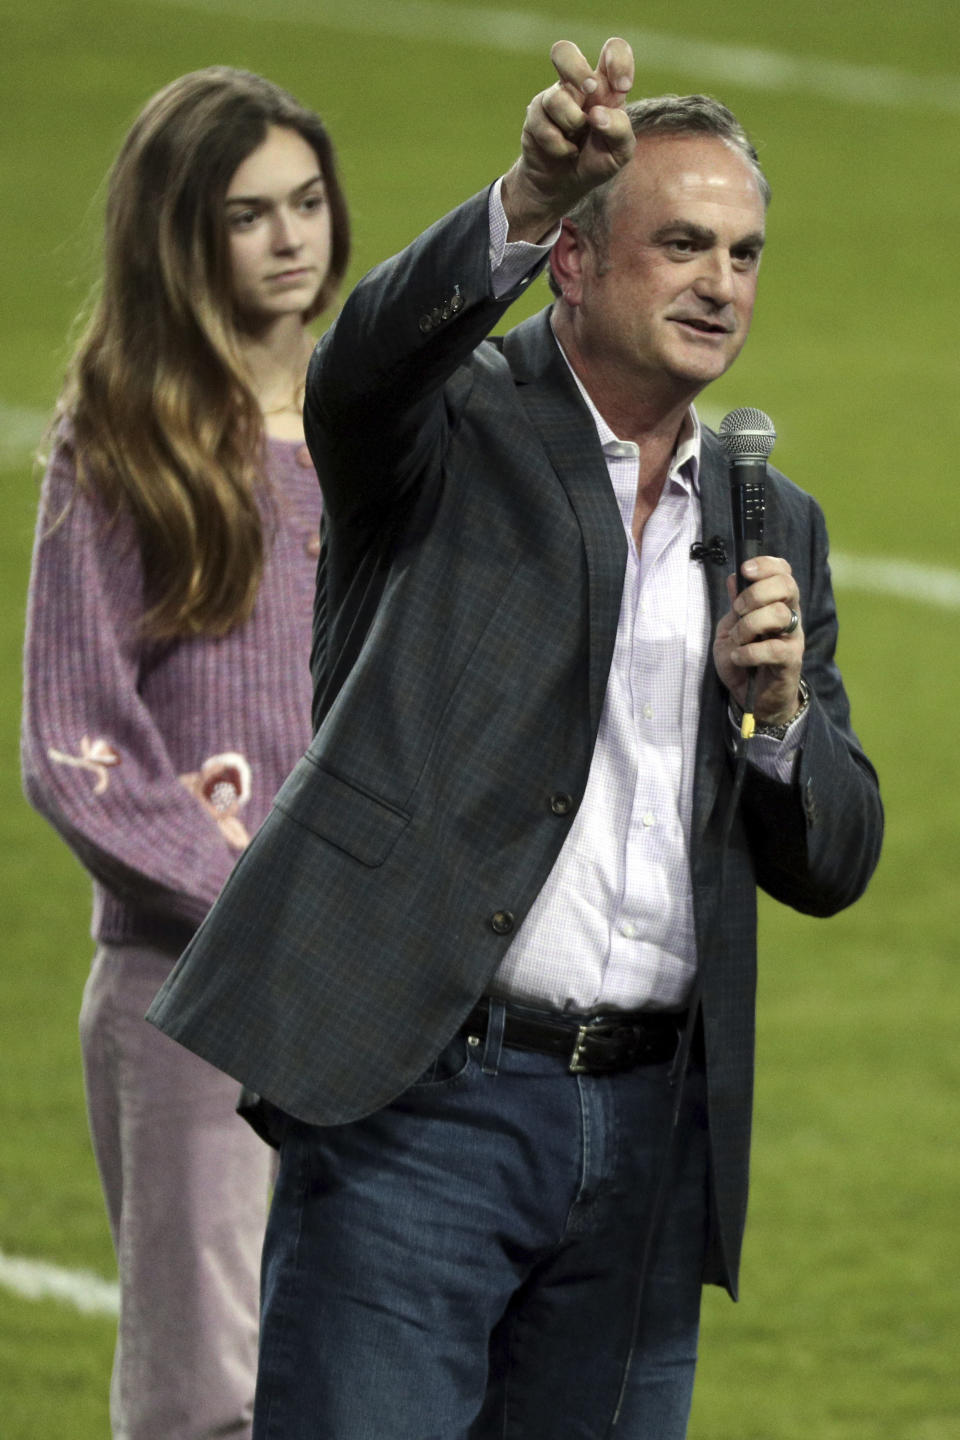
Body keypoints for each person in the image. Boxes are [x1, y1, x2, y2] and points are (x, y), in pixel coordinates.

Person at [148, 37, 882, 1440]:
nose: (721, 282)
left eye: (743, 252)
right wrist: (527, 192)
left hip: (651, 1138)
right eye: (680, 243)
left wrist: (780, 717)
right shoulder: (443, 428)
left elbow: (836, 857)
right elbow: (363, 362)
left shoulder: (768, 521)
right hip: (426, 1104)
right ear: (574, 266)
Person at [21, 67, 349, 1439]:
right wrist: (251, 911)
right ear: (181, 238)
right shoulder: (124, 442)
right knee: (206, 1393)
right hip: (194, 992)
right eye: (248, 214)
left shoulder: (375, 423)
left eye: (311, 202)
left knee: (366, 1364)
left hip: (380, 988)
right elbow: (71, 739)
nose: (294, 238)